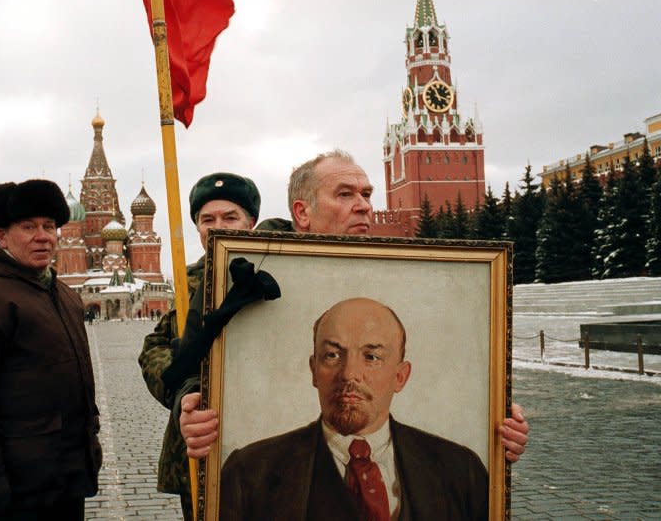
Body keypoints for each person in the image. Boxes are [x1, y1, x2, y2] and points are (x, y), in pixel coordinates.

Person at [180, 150, 529, 464]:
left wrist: (493, 423)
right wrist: (194, 400)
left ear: (401, 374)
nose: (363, 205)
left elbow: (459, 365)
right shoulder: (248, 268)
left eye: (366, 195)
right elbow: (182, 357)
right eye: (345, 194)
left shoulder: (416, 276)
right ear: (302, 212)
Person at [220, 297, 488, 520]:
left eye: (371, 357)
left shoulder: (463, 472)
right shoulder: (248, 474)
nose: (349, 374)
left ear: (400, 376)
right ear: (314, 371)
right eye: (333, 355)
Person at [0, 179, 102, 521]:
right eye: (28, 227)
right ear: (1, 236)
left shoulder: (64, 295)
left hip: (66, 476)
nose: (42, 236)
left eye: (49, 226)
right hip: (16, 487)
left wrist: (91, 434)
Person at [138, 172, 263, 520]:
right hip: (200, 442)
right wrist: (182, 394)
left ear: (250, 222)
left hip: (267, 436)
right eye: (207, 219)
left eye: (230, 217)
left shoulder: (280, 268)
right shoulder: (187, 280)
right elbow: (154, 349)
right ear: (197, 228)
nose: (217, 226)